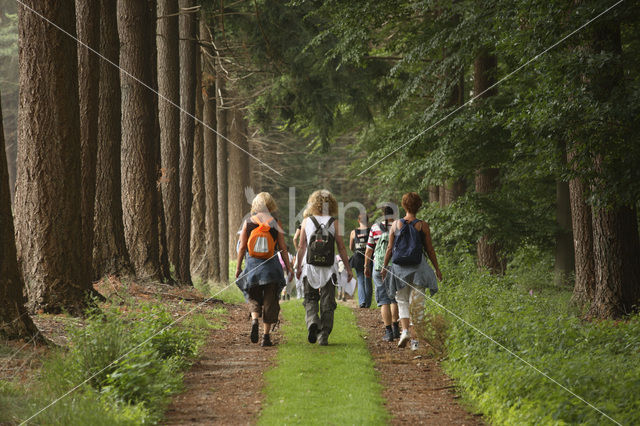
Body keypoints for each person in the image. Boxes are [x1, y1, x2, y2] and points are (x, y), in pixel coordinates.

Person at [381, 192, 443, 351]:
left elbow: (389, 248)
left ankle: (405, 332)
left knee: (402, 301)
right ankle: (415, 342)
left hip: (399, 270)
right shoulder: (422, 225)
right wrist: (436, 268)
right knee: (417, 305)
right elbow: (429, 249)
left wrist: (384, 266)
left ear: (403, 206)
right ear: (419, 206)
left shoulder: (395, 225)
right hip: (419, 270)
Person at [296, 189, 352, 346]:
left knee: (310, 298)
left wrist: (298, 268)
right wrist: (348, 269)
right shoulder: (334, 222)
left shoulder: (307, 222)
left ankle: (313, 320)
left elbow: (301, 246)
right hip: (329, 268)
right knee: (328, 301)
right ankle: (324, 333)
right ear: (331, 204)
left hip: (310, 266)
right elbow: (341, 248)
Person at [236, 192, 293, 347]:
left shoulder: (248, 222)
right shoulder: (275, 222)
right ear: (270, 205)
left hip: (252, 267)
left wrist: (238, 267)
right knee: (270, 301)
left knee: (253, 296)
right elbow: (282, 248)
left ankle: (255, 320)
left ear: (256, 204)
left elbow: (242, 248)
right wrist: (289, 268)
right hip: (271, 269)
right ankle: (265, 337)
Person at [365, 205, 400, 342]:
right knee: (394, 298)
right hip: (395, 266)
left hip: (379, 267)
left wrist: (366, 265)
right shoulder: (399, 226)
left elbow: (369, 250)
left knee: (384, 300)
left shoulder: (374, 228)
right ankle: (397, 328)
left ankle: (388, 332)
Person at [350, 212, 372, 308]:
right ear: (367, 221)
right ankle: (367, 303)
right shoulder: (371, 231)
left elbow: (351, 247)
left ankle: (362, 301)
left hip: (358, 258)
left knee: (360, 279)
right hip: (369, 258)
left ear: (358, 221)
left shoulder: (353, 232)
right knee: (368, 279)